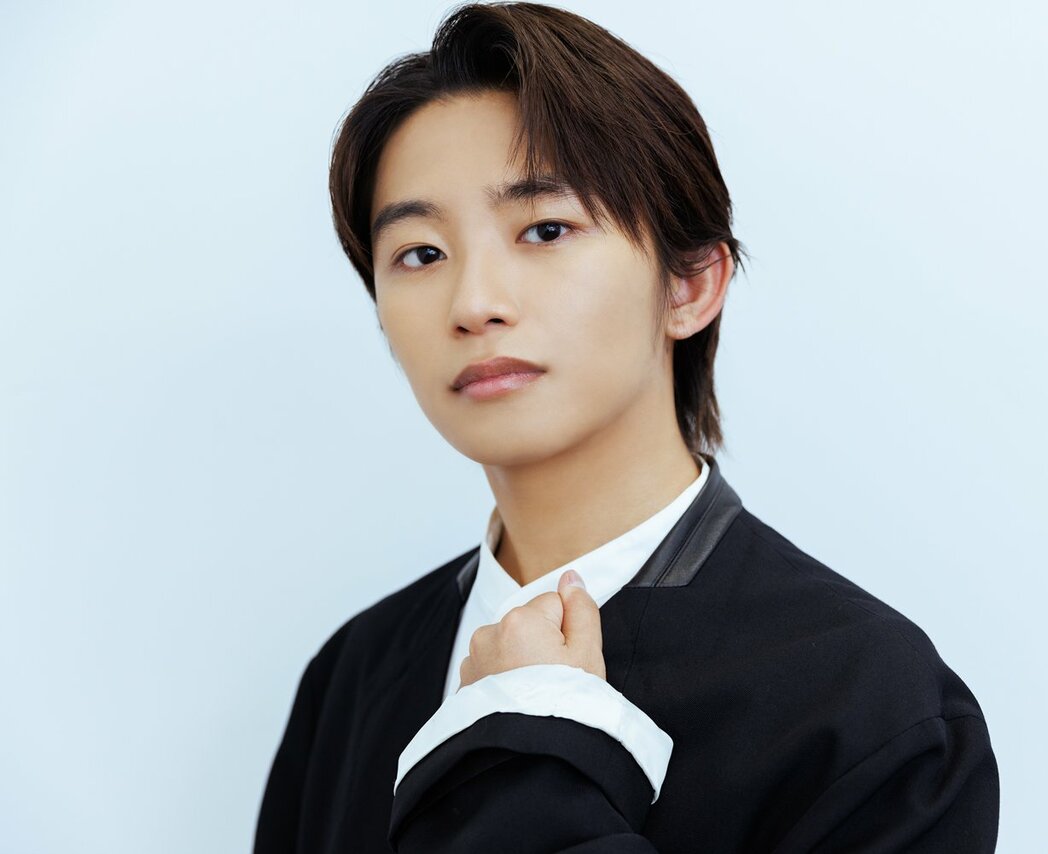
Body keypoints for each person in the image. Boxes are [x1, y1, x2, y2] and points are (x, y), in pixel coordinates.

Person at [253, 3, 1000, 852]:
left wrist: (531, 752)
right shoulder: (355, 675)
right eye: (420, 253)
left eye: (546, 230)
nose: (474, 303)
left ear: (690, 285)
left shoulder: (872, 705)